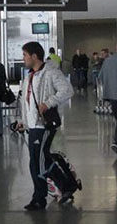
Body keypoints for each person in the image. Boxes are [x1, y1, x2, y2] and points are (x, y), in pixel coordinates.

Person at [16, 41, 74, 210]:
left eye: (25, 55)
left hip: (45, 125)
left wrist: (49, 103)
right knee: (38, 160)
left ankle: (40, 197)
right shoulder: (29, 76)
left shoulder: (51, 72)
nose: (23, 58)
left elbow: (67, 90)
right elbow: (26, 102)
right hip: (33, 125)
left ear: (34, 56)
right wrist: (24, 122)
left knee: (38, 162)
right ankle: (66, 185)